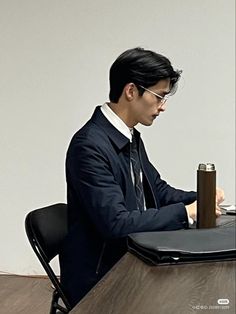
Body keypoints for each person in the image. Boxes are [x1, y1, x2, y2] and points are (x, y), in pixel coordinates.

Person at [59, 47, 224, 307]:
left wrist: (202, 198)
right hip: (101, 276)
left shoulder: (129, 135)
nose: (163, 106)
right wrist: (187, 212)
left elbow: (156, 190)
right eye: (159, 96)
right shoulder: (89, 145)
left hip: (130, 254)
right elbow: (116, 223)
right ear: (131, 91)